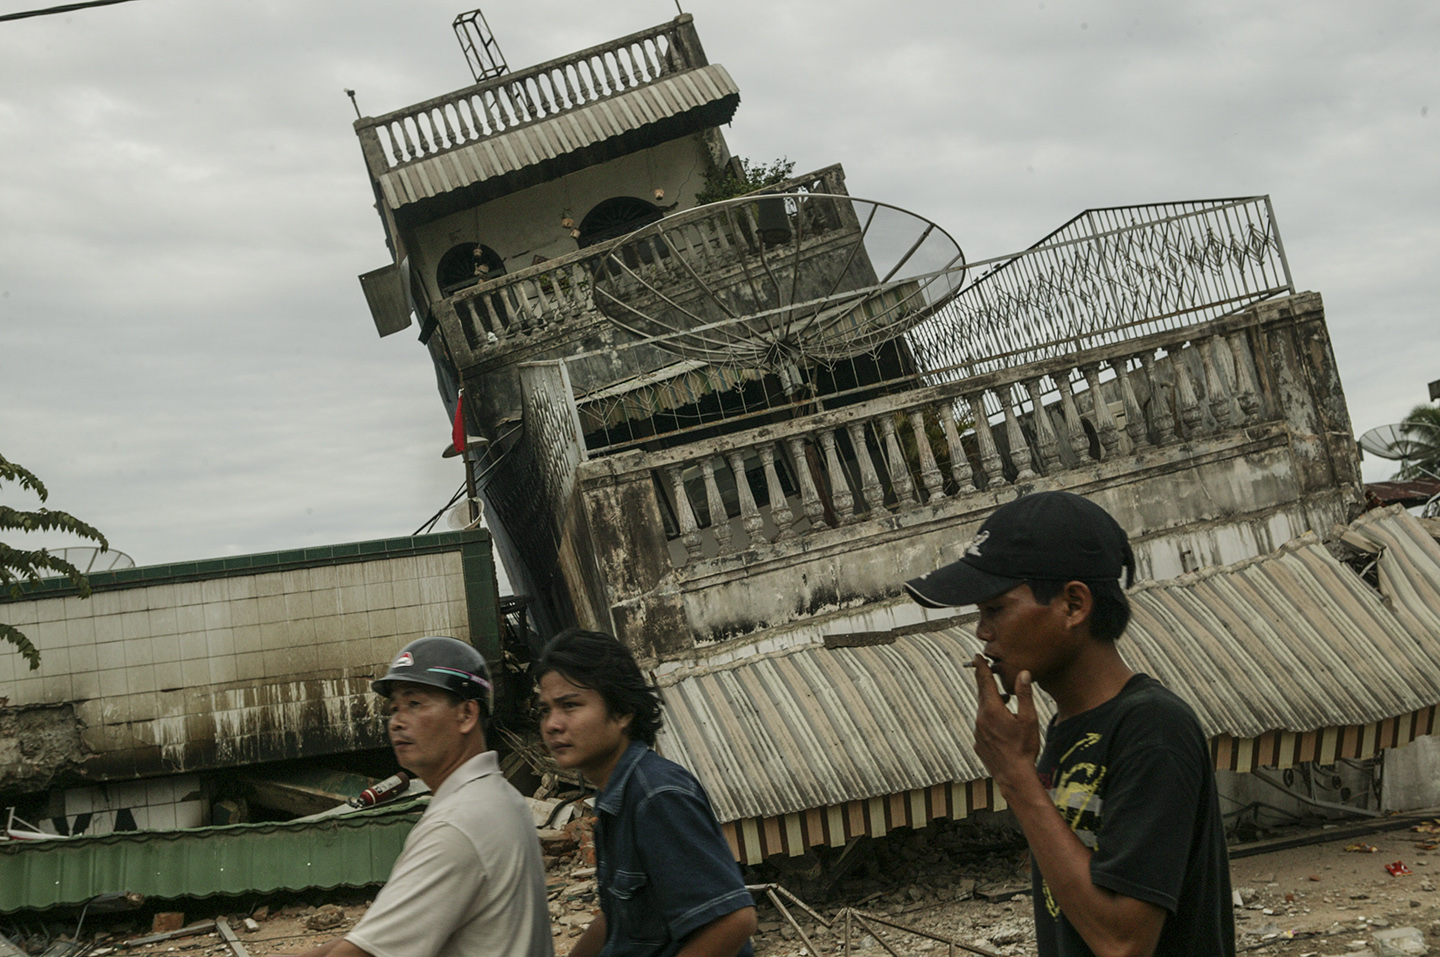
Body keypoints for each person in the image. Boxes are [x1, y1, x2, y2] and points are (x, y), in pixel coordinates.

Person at [905, 491, 1234, 957]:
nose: (981, 631)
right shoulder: (1065, 727)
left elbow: (1123, 941)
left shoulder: (1153, 729)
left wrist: (1016, 777)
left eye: (995, 609)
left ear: (1074, 605)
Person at [293, 636, 552, 957]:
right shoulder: (500, 796)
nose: (397, 722)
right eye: (394, 708)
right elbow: (371, 938)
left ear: (467, 714)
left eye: (415, 704)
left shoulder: (456, 825)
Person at [534, 629, 756, 957]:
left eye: (570, 705)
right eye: (544, 710)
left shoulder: (657, 797)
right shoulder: (616, 801)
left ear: (622, 712)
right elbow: (618, 918)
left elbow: (734, 921)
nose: (552, 724)